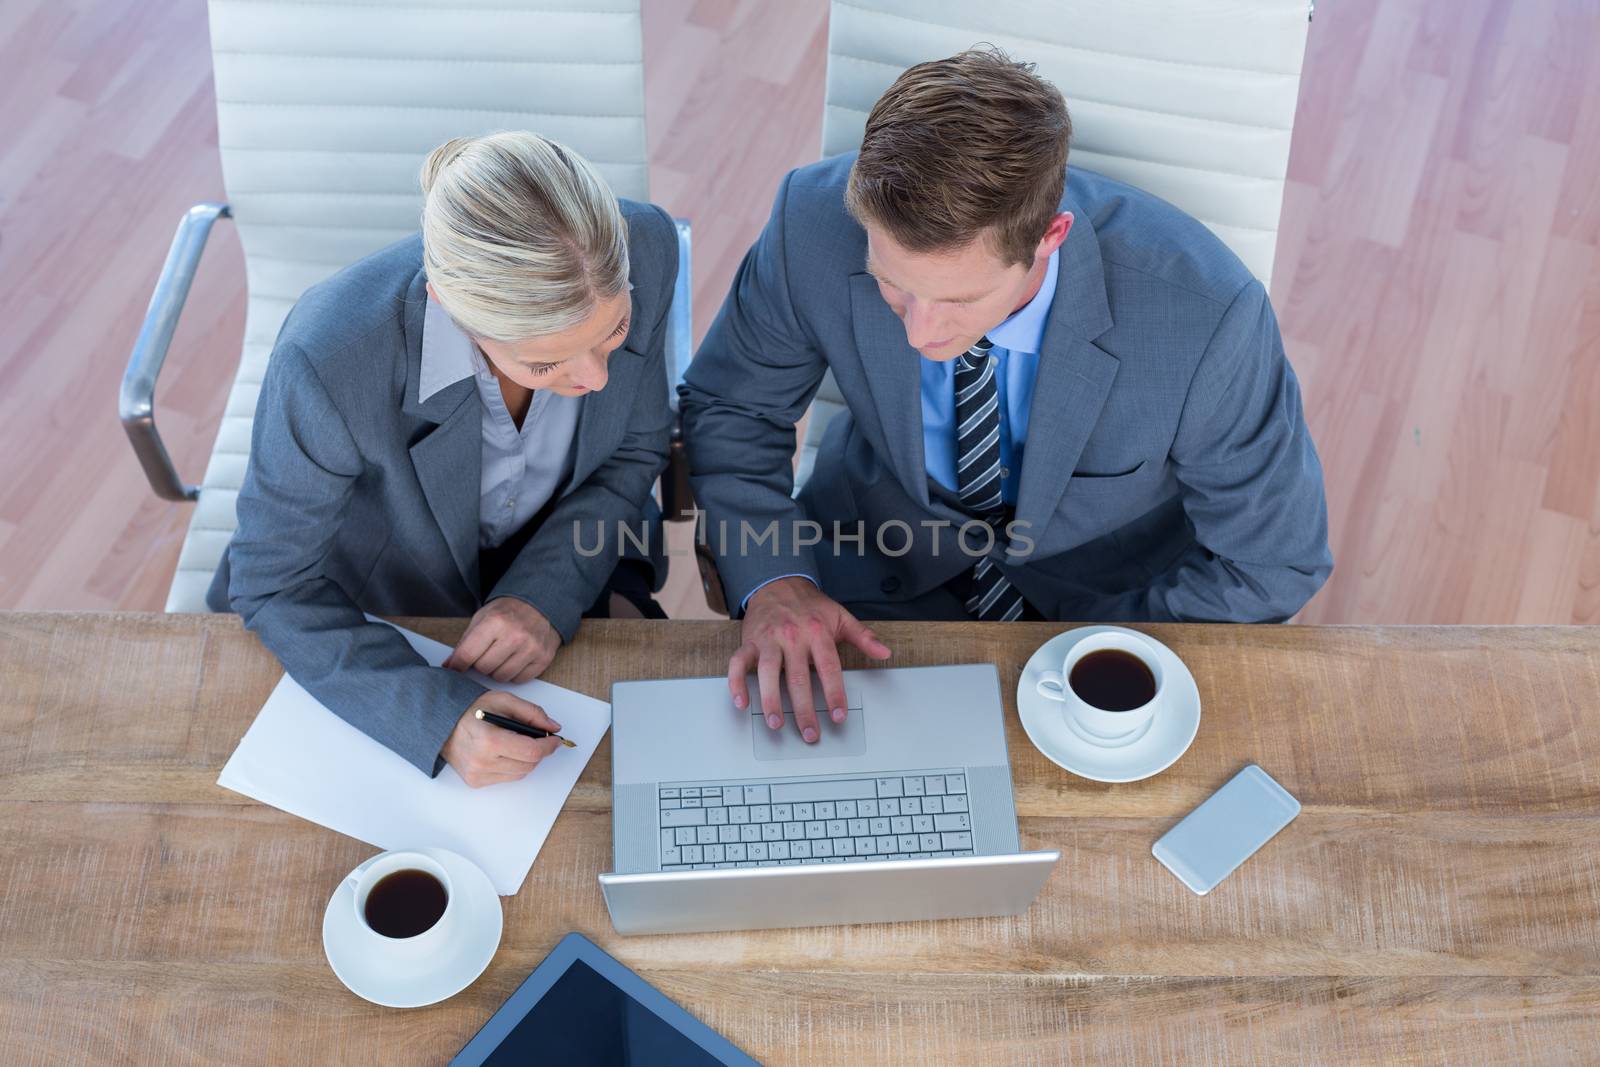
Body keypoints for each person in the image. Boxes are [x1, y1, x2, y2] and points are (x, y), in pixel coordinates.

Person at [680, 48, 1332, 745]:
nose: (921, 330)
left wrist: (1101, 654)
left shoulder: (1206, 319)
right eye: (891, 283)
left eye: (959, 298)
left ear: (1050, 237)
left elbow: (1275, 560)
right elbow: (733, 408)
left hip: (1105, 619)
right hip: (865, 576)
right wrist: (776, 579)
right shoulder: (808, 225)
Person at [210, 132, 677, 785]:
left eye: (614, 332)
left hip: (574, 560)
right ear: (450, 309)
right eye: (544, 362)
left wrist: (547, 590)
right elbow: (272, 581)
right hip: (387, 606)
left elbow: (634, 446)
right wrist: (438, 718)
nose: (597, 379)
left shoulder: (646, 247)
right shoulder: (329, 361)